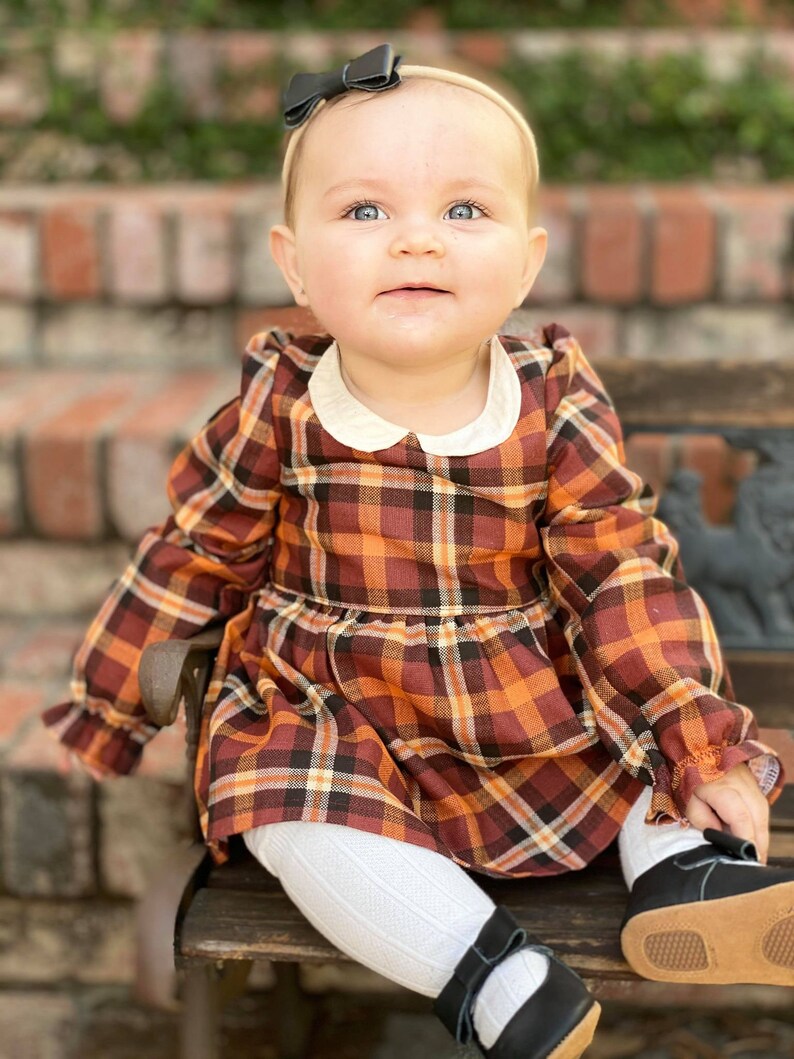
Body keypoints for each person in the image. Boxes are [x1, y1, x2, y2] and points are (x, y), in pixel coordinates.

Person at [42, 44, 791, 1059]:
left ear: (525, 263)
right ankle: (493, 978)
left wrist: (694, 737)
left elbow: (618, 570)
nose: (415, 244)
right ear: (293, 263)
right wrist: (110, 700)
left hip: (519, 705)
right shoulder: (280, 406)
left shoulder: (551, 399)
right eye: (363, 212)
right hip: (333, 710)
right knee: (285, 809)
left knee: (633, 748)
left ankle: (689, 874)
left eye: (462, 211)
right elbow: (193, 554)